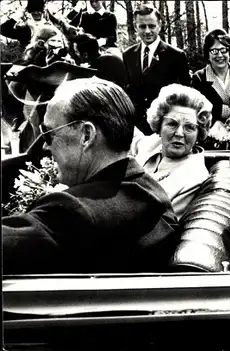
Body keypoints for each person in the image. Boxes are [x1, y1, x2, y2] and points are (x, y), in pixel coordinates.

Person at [2, 77, 179, 274]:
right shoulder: (151, 192)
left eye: (48, 133)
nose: (45, 145)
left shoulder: (75, 211)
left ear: (86, 135)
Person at [131, 84, 212, 219]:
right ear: (159, 125)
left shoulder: (194, 178)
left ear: (199, 133)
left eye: (189, 127)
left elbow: (157, 224)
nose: (179, 133)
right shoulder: (153, 143)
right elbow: (134, 140)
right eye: (172, 124)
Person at [123, 4, 191, 136]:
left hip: (165, 126)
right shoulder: (128, 55)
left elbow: (185, 95)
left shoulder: (176, 56)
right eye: (142, 26)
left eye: (152, 26)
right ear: (135, 26)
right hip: (136, 129)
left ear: (159, 25)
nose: (147, 31)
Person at [191, 29, 230, 145]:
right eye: (214, 51)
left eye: (224, 50)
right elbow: (197, 108)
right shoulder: (199, 77)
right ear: (207, 53)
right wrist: (226, 111)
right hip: (211, 138)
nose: (220, 55)